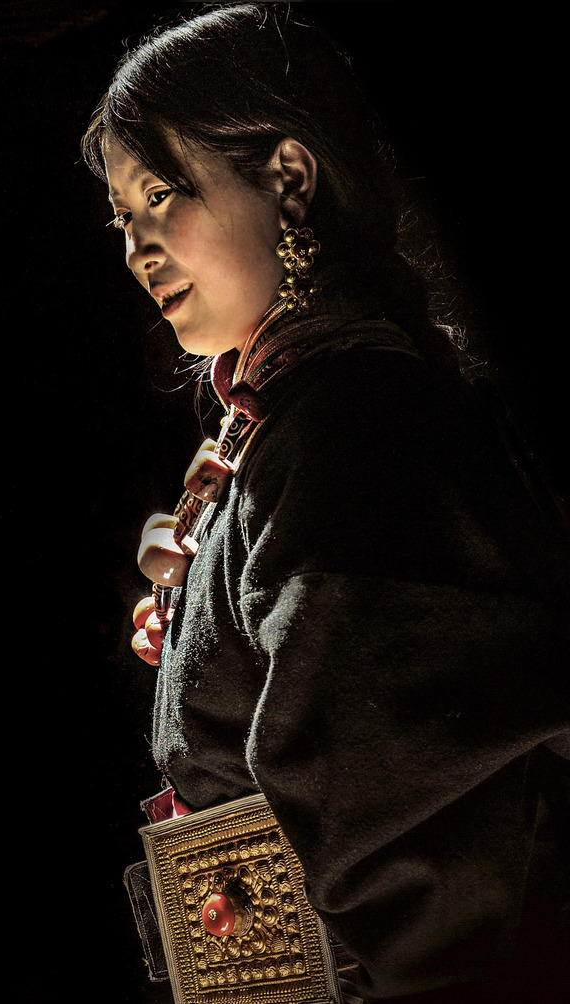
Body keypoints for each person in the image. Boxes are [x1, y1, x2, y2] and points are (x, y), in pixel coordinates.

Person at [82, 5, 569, 1002]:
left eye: (161, 195)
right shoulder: (289, 421)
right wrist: (201, 627)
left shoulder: (357, 430)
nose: (134, 245)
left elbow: (423, 892)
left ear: (288, 180)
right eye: (120, 215)